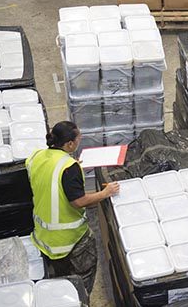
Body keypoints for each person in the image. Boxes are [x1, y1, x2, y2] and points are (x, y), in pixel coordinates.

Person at [26, 121, 120, 293]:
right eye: (78, 139)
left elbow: (48, 174)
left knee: (60, 283)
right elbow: (78, 201)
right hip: (68, 240)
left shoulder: (37, 156)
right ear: (69, 144)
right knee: (82, 278)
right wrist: (105, 192)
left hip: (43, 236)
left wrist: (68, 163)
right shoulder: (69, 168)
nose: (80, 140)